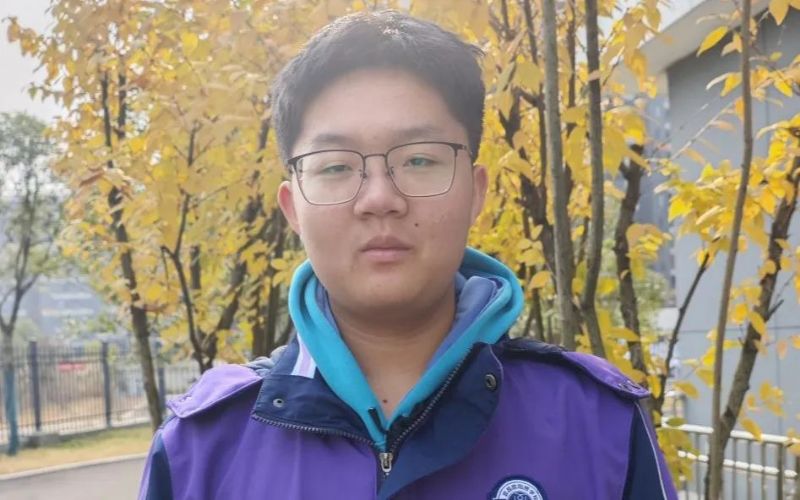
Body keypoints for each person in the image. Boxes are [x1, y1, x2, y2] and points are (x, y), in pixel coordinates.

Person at [138, 10, 677, 500]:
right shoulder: (202, 449)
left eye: (419, 160)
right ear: (292, 207)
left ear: (476, 192)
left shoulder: (597, 424)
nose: (379, 199)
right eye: (335, 166)